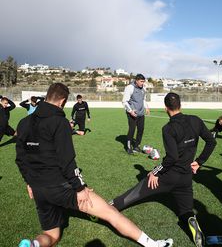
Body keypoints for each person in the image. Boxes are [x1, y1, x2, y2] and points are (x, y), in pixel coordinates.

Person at [16, 83, 173, 247]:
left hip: (38, 189)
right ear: (62, 101)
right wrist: (80, 188)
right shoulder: (59, 122)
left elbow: (20, 158)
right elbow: (67, 161)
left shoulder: (23, 122)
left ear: (47, 96)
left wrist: (29, 182)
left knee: (51, 235)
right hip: (61, 186)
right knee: (111, 213)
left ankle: (33, 244)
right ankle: (153, 245)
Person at [110, 92, 216, 247]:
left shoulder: (168, 128)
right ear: (180, 104)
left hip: (167, 177)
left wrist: (155, 172)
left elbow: (171, 158)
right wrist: (199, 162)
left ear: (166, 108)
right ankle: (190, 220)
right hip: (186, 178)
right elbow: (211, 142)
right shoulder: (195, 120)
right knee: (186, 211)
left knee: (131, 195)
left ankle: (106, 208)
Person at [122, 74, 150, 154]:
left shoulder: (143, 88)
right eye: (141, 81)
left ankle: (136, 146)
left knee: (141, 130)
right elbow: (124, 101)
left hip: (141, 114)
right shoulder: (130, 88)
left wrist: (146, 107)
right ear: (136, 80)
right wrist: (130, 111)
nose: (142, 83)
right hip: (132, 113)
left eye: (143, 81)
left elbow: (143, 99)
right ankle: (128, 147)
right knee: (132, 129)